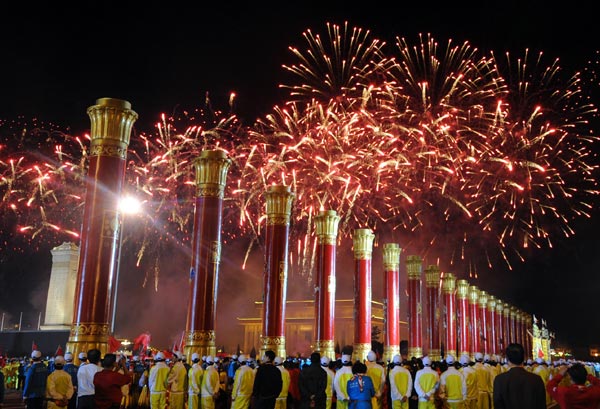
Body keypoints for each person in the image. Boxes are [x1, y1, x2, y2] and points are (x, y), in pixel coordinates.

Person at [492, 343, 545, 409]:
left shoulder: (499, 380)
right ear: (524, 358)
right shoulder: (536, 379)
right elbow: (542, 405)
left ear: (507, 359)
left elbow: (498, 405)